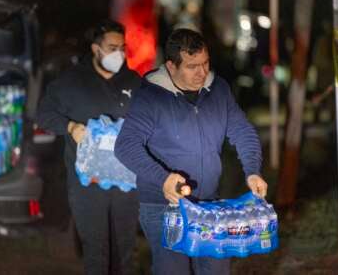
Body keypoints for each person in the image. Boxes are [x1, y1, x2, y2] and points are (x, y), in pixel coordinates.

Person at [114, 28, 267, 275]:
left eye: (205, 63)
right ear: (171, 66)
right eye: (192, 66)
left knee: (217, 269)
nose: (202, 72)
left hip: (208, 204)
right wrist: (163, 178)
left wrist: (252, 171)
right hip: (164, 206)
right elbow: (125, 145)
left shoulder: (218, 90)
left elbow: (242, 131)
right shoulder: (151, 97)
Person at [36, 20, 141, 275]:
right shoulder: (71, 83)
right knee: (96, 249)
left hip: (126, 183)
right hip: (87, 184)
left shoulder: (135, 82)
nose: (119, 53)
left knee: (124, 249)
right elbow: (43, 114)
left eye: (122, 47)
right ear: (96, 49)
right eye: (112, 47)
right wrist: (70, 126)